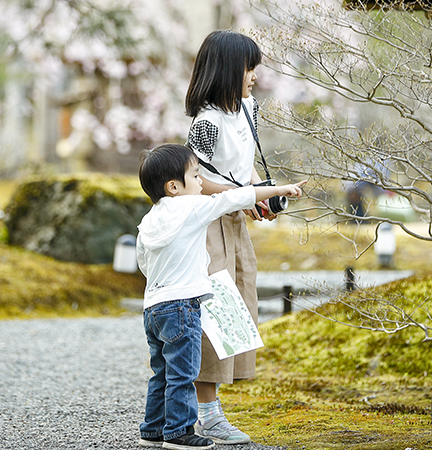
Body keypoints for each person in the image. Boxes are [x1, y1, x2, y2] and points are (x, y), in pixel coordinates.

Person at [136, 143, 305, 449]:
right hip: (182, 306)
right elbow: (234, 198)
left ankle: (152, 429)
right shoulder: (193, 208)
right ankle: (178, 432)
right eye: (196, 175)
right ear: (174, 186)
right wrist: (281, 189)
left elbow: (143, 262)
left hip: (153, 307)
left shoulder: (148, 220)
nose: (202, 183)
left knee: (161, 370)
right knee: (183, 372)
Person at [184, 29, 271, 445]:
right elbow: (193, 181)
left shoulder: (249, 108)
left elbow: (245, 166)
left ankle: (206, 410)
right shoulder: (206, 122)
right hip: (207, 224)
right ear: (226, 69)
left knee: (240, 307)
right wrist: (246, 195)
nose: (253, 75)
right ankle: (207, 413)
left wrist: (258, 195)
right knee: (213, 314)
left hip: (235, 220)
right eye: (247, 67)